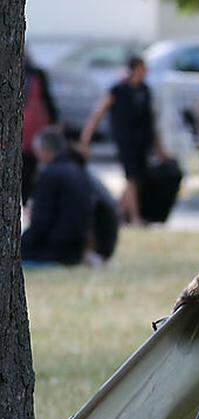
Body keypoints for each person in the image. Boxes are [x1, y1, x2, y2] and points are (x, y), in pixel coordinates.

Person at [80, 57, 167, 227]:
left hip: (143, 142)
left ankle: (118, 212)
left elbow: (151, 122)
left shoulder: (145, 90)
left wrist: (159, 148)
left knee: (137, 179)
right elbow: (98, 113)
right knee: (132, 178)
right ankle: (134, 218)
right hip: (126, 141)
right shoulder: (118, 90)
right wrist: (86, 137)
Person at [21, 128, 94, 266]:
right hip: (77, 249)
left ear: (46, 150)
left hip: (55, 250)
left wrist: (21, 243)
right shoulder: (78, 170)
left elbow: (41, 223)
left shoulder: (50, 175)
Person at [22, 55, 58, 206]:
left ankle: (26, 200)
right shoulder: (36, 75)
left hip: (31, 129)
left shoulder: (36, 75)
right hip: (32, 128)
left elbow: (48, 101)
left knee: (30, 165)